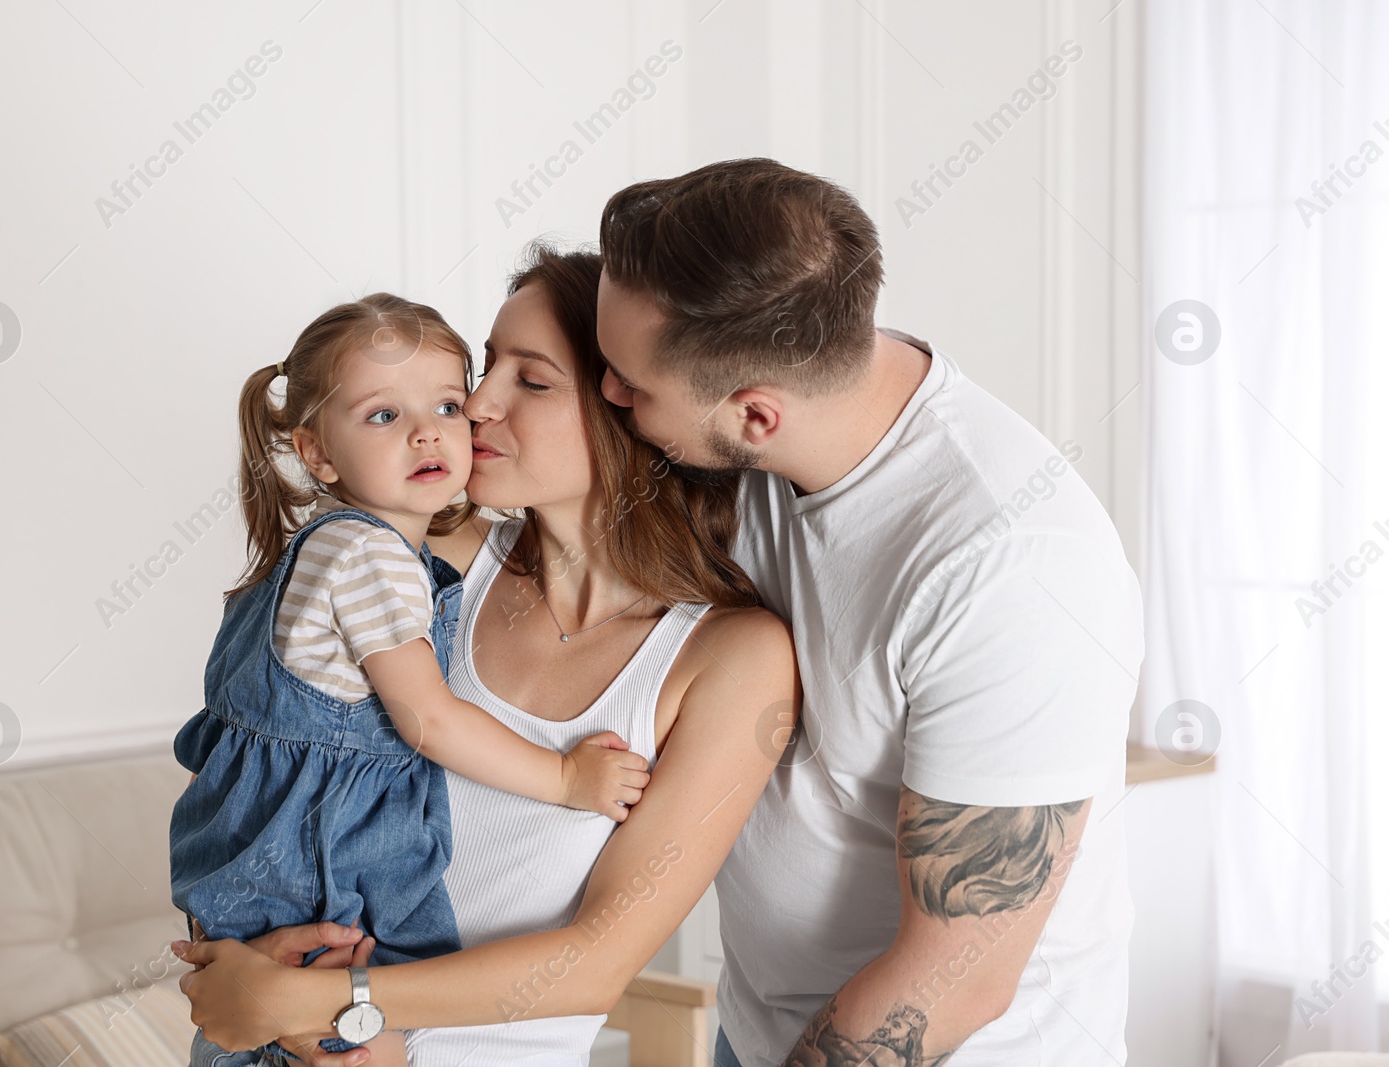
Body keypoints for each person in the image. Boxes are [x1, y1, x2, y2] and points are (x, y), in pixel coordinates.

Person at [171, 245, 800, 1066]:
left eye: (529, 380)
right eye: (486, 365)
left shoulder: (730, 658)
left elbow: (593, 964)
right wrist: (260, 976)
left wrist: (325, 1002)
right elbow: (257, 762)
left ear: (630, 408)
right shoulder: (419, 557)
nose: (474, 405)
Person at [594, 158, 1144, 1066]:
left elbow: (953, 979)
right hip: (762, 1025)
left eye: (630, 382)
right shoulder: (767, 436)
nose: (608, 395)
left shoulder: (1014, 563)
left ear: (756, 414)